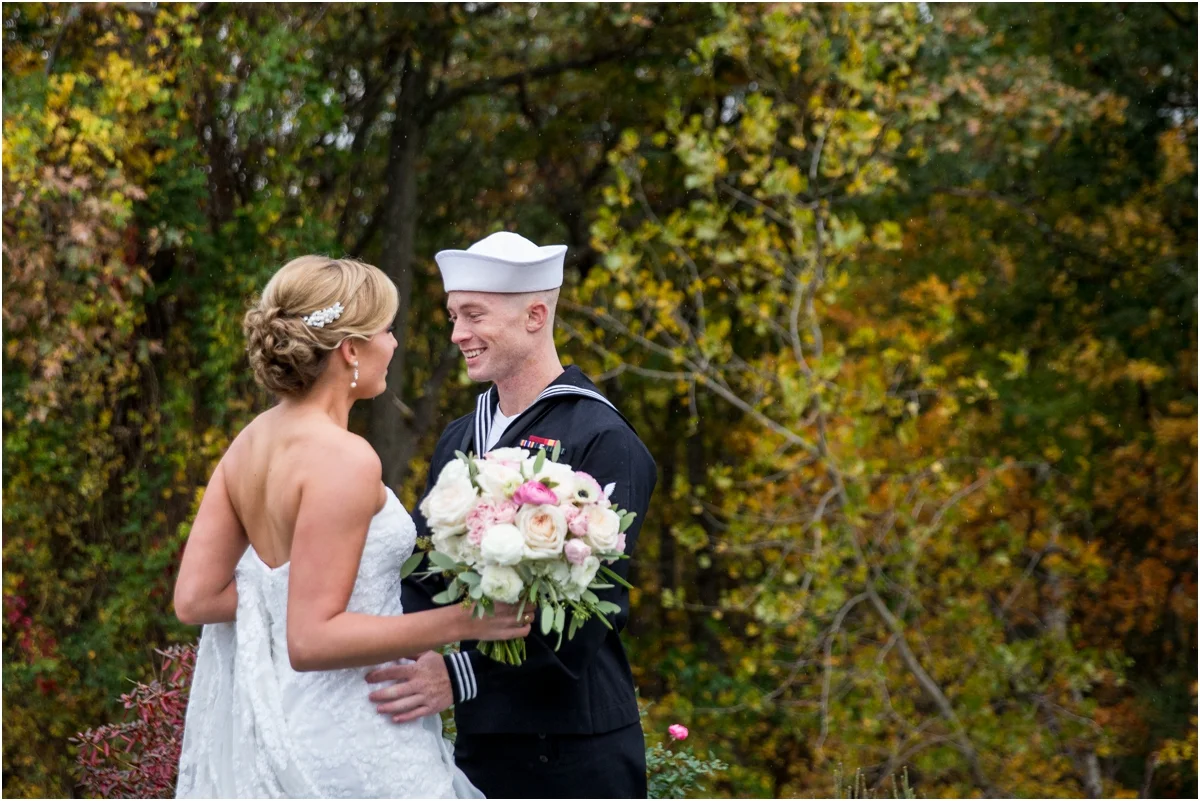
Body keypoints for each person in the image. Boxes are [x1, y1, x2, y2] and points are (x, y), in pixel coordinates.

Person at [172, 255, 531, 798]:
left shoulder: (250, 442)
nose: (393, 344)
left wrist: (285, 598)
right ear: (351, 349)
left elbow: (195, 600)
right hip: (360, 736)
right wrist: (465, 620)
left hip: (289, 722)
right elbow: (312, 639)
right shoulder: (344, 459)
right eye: (387, 330)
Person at [368, 232, 658, 799]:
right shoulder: (459, 437)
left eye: (473, 315)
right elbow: (429, 578)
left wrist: (458, 676)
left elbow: (593, 617)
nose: (458, 335)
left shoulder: (603, 438)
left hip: (575, 752)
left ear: (534, 314)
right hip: (479, 745)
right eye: (454, 316)